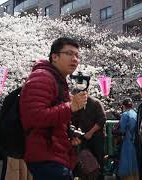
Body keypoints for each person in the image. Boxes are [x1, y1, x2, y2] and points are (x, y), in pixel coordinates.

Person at [19, 37, 88, 180]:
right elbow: (35, 116)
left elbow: (53, 119)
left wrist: (69, 133)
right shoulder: (42, 77)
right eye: (69, 53)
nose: (75, 59)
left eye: (77, 55)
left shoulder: (56, 79)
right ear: (54, 57)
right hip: (47, 156)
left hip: (54, 154)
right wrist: (71, 107)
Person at [72, 95, 106, 180]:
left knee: (98, 162)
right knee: (84, 162)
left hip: (97, 137)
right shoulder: (78, 105)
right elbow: (74, 120)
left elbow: (102, 120)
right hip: (84, 137)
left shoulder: (96, 103)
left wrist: (91, 132)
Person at [118, 98, 139, 180]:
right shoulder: (135, 113)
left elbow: (122, 129)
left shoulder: (125, 114)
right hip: (135, 140)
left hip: (128, 140)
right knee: (134, 163)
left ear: (123, 106)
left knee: (126, 162)